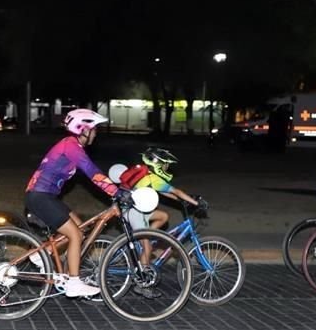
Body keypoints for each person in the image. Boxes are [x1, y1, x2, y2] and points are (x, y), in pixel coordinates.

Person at [25, 108, 123, 298]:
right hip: (41, 196)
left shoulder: (70, 145)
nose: (96, 133)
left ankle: (39, 254)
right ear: (84, 129)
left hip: (45, 196)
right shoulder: (71, 146)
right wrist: (117, 192)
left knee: (80, 227)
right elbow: (91, 171)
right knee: (75, 235)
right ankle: (74, 283)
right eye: (94, 129)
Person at [117, 147, 202, 231]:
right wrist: (196, 203)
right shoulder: (153, 179)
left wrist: (183, 199)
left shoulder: (147, 175)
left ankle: (147, 236)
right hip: (134, 213)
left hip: (133, 209)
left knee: (163, 216)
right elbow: (176, 191)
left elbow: (165, 192)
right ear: (158, 164)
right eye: (165, 165)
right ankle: (144, 240)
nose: (167, 167)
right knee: (145, 242)